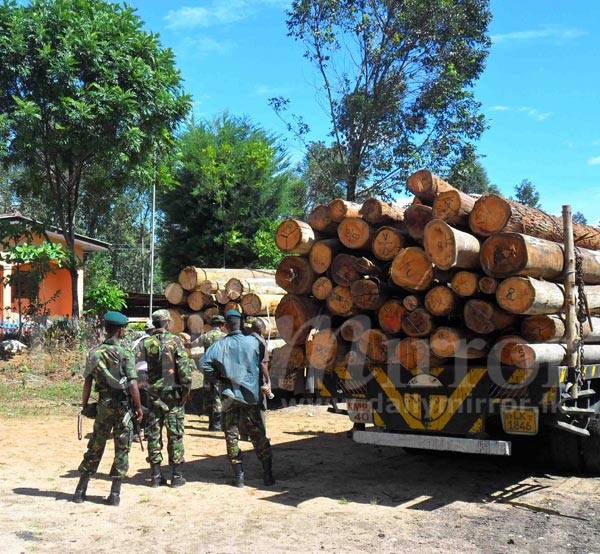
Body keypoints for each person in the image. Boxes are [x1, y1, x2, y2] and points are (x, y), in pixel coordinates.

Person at [72, 311, 143, 507]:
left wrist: (85, 405)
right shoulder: (125, 353)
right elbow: (133, 384)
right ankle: (114, 494)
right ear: (120, 330)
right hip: (123, 408)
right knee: (122, 448)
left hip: (103, 406)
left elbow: (87, 382)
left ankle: (80, 491)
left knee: (95, 445)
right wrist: (138, 408)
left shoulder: (93, 353)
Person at [201, 309, 274, 488]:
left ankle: (239, 477)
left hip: (229, 397)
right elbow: (262, 364)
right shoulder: (254, 342)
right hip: (251, 396)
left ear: (225, 326)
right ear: (242, 323)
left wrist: (218, 379)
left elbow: (205, 364)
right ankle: (268, 474)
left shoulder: (219, 345)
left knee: (231, 435)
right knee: (258, 434)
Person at [137, 309, 194, 487]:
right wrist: (185, 393)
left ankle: (155, 476)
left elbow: (137, 369)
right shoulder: (176, 341)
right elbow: (185, 372)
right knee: (175, 434)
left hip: (154, 396)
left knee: (153, 434)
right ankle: (176, 477)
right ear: (167, 323)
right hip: (173, 396)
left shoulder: (146, 343)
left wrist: (145, 385)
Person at [186, 314, 226, 431]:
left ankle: (212, 423)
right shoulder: (225, 337)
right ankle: (218, 424)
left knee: (209, 395)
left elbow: (192, 345)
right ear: (222, 325)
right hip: (221, 371)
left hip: (208, 371)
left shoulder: (205, 336)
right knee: (219, 396)